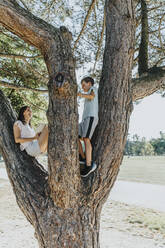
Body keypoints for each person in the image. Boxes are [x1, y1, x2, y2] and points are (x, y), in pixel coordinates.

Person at [77, 76, 98, 177]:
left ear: (89, 83)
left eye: (84, 85)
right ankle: (82, 157)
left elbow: (92, 96)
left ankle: (89, 165)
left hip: (91, 117)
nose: (83, 87)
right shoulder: (87, 92)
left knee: (86, 139)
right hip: (85, 119)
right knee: (75, 136)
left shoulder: (93, 89)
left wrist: (80, 94)